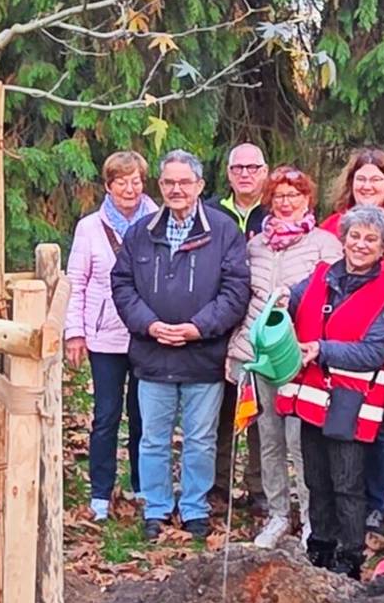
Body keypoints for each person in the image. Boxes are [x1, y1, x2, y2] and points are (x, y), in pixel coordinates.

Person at [110, 150, 251, 539]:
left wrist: (197, 328)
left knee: (201, 440)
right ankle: (156, 507)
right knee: (152, 439)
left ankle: (194, 508)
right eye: (169, 182)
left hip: (202, 355)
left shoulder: (223, 231)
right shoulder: (140, 232)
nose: (177, 189)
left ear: (200, 185)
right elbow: (122, 284)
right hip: (152, 354)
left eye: (185, 182)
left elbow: (236, 290)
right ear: (160, 186)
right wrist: (150, 325)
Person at [278, 208, 384, 578]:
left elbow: (374, 352)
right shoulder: (321, 275)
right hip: (312, 394)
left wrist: (322, 349)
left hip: (352, 399)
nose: (360, 245)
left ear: (383, 249)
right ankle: (320, 546)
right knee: (316, 479)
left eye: (370, 239)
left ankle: (349, 556)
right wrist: (282, 299)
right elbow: (293, 302)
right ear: (343, 239)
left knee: (347, 483)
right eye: (355, 236)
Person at [225, 166, 341, 549]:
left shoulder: (325, 245)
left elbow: (334, 301)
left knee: (300, 442)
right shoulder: (256, 245)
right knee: (268, 437)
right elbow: (244, 299)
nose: (286, 202)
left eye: (294, 195)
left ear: (307, 199)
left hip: (300, 357)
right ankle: (277, 514)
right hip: (259, 355)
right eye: (279, 196)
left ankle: (310, 518)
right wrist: (237, 349)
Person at [322, 148, 384, 536]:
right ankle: (339, 498)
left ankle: (376, 502)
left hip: (381, 341)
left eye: (376, 179)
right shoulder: (331, 226)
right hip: (334, 340)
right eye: (361, 178)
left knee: (377, 424)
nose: (367, 185)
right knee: (334, 423)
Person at [66, 151, 157, 522]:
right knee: (106, 415)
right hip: (105, 336)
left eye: (135, 181)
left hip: (147, 334)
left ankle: (142, 486)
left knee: (143, 415)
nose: (129, 189)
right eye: (121, 182)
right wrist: (75, 332)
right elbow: (76, 281)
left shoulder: (158, 222)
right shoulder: (90, 228)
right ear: (108, 186)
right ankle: (100, 493)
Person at [210, 142, 272, 506]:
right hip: (218, 324)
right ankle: (217, 485)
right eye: (238, 168)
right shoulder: (211, 213)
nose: (245, 174)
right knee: (220, 410)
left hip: (261, 329)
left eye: (253, 167)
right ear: (229, 173)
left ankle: (259, 487)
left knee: (260, 412)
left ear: (265, 172)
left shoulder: (277, 212)